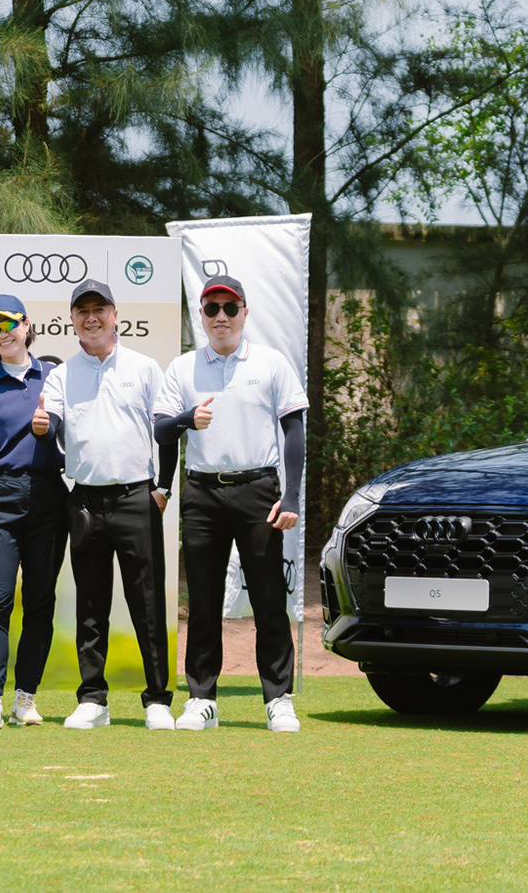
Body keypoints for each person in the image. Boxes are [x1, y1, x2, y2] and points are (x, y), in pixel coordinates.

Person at [155, 274, 308, 733]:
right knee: (203, 601)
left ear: (244, 313)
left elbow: (294, 429)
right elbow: (161, 428)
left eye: (229, 308)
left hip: (258, 489)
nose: (220, 316)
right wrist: (188, 419)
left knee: (268, 598)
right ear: (201, 316)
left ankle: (278, 698)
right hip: (202, 492)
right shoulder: (183, 367)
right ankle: (202, 698)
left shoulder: (271, 362)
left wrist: (291, 495)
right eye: (211, 309)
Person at [39, 278, 176, 730]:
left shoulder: (144, 367)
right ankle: (93, 699)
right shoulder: (61, 375)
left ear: (116, 315)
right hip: (84, 500)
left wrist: (163, 488)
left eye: (100, 309)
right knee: (91, 605)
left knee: (147, 603)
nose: (91, 317)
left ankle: (158, 699)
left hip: (137, 496)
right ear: (72, 319)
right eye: (83, 311)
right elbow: (51, 421)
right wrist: (43, 425)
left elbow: (165, 431)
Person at [0, 293, 66, 728]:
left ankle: (25, 697)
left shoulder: (55, 376)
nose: (1, 334)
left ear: (27, 325)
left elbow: (73, 432)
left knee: (40, 599)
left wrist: (50, 429)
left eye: (8, 324)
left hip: (49, 495)